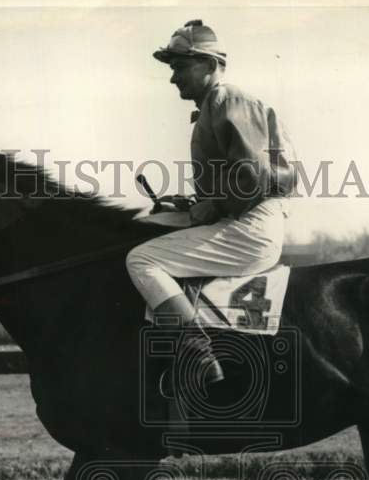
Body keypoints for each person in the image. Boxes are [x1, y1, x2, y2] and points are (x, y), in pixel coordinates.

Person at [126, 20, 297, 388]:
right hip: (243, 216)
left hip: (252, 225)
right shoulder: (213, 107)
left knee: (141, 259)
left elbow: (254, 175)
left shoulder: (227, 100)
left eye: (180, 67)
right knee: (144, 228)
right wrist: (190, 203)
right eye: (172, 68)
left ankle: (196, 349)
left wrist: (215, 204)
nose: (173, 78)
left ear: (209, 64)